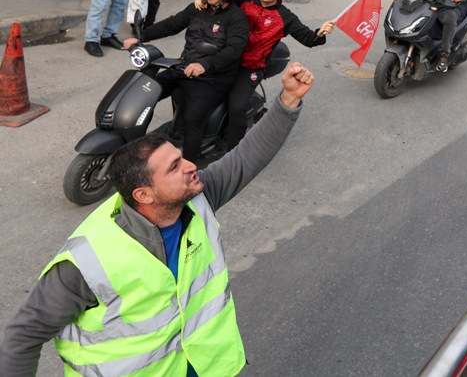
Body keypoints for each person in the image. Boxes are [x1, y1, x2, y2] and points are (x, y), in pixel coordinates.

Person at [0, 62, 315, 377]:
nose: (191, 166)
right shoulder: (87, 262)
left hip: (207, 367)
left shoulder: (198, 198)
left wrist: (287, 100)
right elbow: (23, 336)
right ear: (144, 195)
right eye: (175, 167)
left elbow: (248, 157)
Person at [124, 0, 249, 162]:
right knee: (145, 92)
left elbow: (233, 50)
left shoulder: (236, 18)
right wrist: (140, 36)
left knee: (193, 119)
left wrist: (205, 65)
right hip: (185, 68)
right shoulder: (197, 8)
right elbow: (172, 24)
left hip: (213, 77)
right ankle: (131, 144)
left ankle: (189, 165)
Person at [212, 0, 333, 150]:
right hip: (227, 59)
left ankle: (234, 152)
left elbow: (308, 39)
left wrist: (320, 33)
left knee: (237, 107)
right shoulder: (245, 0)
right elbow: (220, 5)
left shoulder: (285, 17)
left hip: (251, 68)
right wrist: (204, 2)